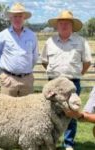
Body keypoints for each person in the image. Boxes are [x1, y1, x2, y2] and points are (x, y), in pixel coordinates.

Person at [41, 10, 92, 150]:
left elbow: (87, 62)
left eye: (67, 23)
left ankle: (68, 143)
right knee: (50, 113)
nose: (64, 26)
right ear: (57, 25)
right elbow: (44, 61)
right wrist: (55, 78)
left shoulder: (81, 41)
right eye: (61, 23)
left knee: (71, 112)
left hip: (72, 83)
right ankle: (51, 142)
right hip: (53, 84)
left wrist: (76, 74)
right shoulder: (50, 42)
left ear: (72, 26)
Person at [0, 2, 38, 97]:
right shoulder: (2, 35)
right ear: (10, 18)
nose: (17, 19)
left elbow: (34, 57)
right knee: (6, 109)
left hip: (27, 80)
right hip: (8, 80)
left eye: (20, 16)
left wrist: (26, 70)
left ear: (24, 18)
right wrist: (2, 74)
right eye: (15, 16)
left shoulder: (32, 35)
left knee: (27, 109)